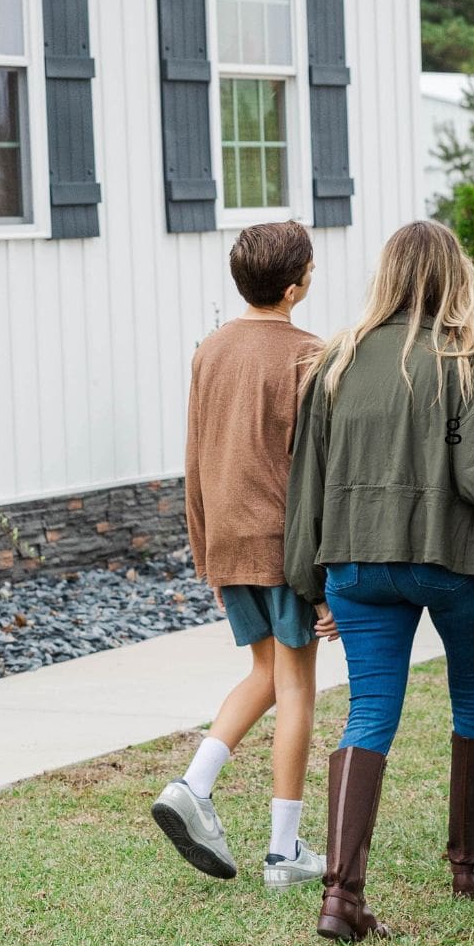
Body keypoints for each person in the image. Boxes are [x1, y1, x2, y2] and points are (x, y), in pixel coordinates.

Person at [284, 220, 474, 943]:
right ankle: (469, 864)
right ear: (457, 279)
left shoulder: (335, 363)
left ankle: (341, 896)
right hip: (457, 564)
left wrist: (312, 586)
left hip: (358, 565)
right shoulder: (467, 363)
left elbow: (304, 490)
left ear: (386, 276)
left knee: (369, 713)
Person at [152, 222, 327, 890]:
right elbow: (315, 475)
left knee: (265, 672)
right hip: (284, 546)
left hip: (227, 541)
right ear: (294, 286)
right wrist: (324, 575)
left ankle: (193, 786)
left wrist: (206, 556)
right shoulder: (311, 355)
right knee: (296, 687)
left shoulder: (209, 351)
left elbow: (194, 457)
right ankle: (284, 853)